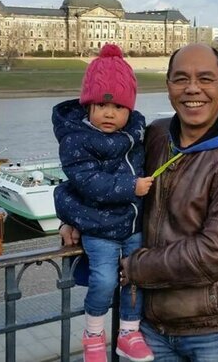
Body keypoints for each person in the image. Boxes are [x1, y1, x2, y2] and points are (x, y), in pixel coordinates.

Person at [119, 43, 218, 361]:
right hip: (151, 328)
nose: (192, 89)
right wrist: (74, 218)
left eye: (205, 79)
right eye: (181, 79)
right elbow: (111, 179)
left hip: (214, 331)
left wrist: (133, 268)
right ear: (168, 86)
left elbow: (215, 252)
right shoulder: (156, 134)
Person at [53, 43, 155, 362]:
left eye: (118, 108)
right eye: (101, 105)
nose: (109, 113)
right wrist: (132, 187)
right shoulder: (76, 139)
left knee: (135, 277)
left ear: (129, 110)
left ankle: (128, 331)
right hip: (99, 229)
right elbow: (87, 182)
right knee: (105, 279)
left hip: (132, 226)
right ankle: (94, 334)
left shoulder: (137, 134)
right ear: (88, 107)